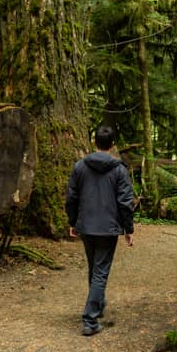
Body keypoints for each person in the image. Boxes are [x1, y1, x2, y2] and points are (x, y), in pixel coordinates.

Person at [65, 125, 135, 336]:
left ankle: (97, 303)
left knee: (94, 268)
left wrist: (73, 221)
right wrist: (128, 228)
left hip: (87, 226)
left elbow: (72, 197)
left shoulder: (80, 167)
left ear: (94, 142)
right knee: (100, 271)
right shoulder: (119, 170)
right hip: (107, 228)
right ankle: (90, 319)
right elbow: (125, 202)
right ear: (113, 145)